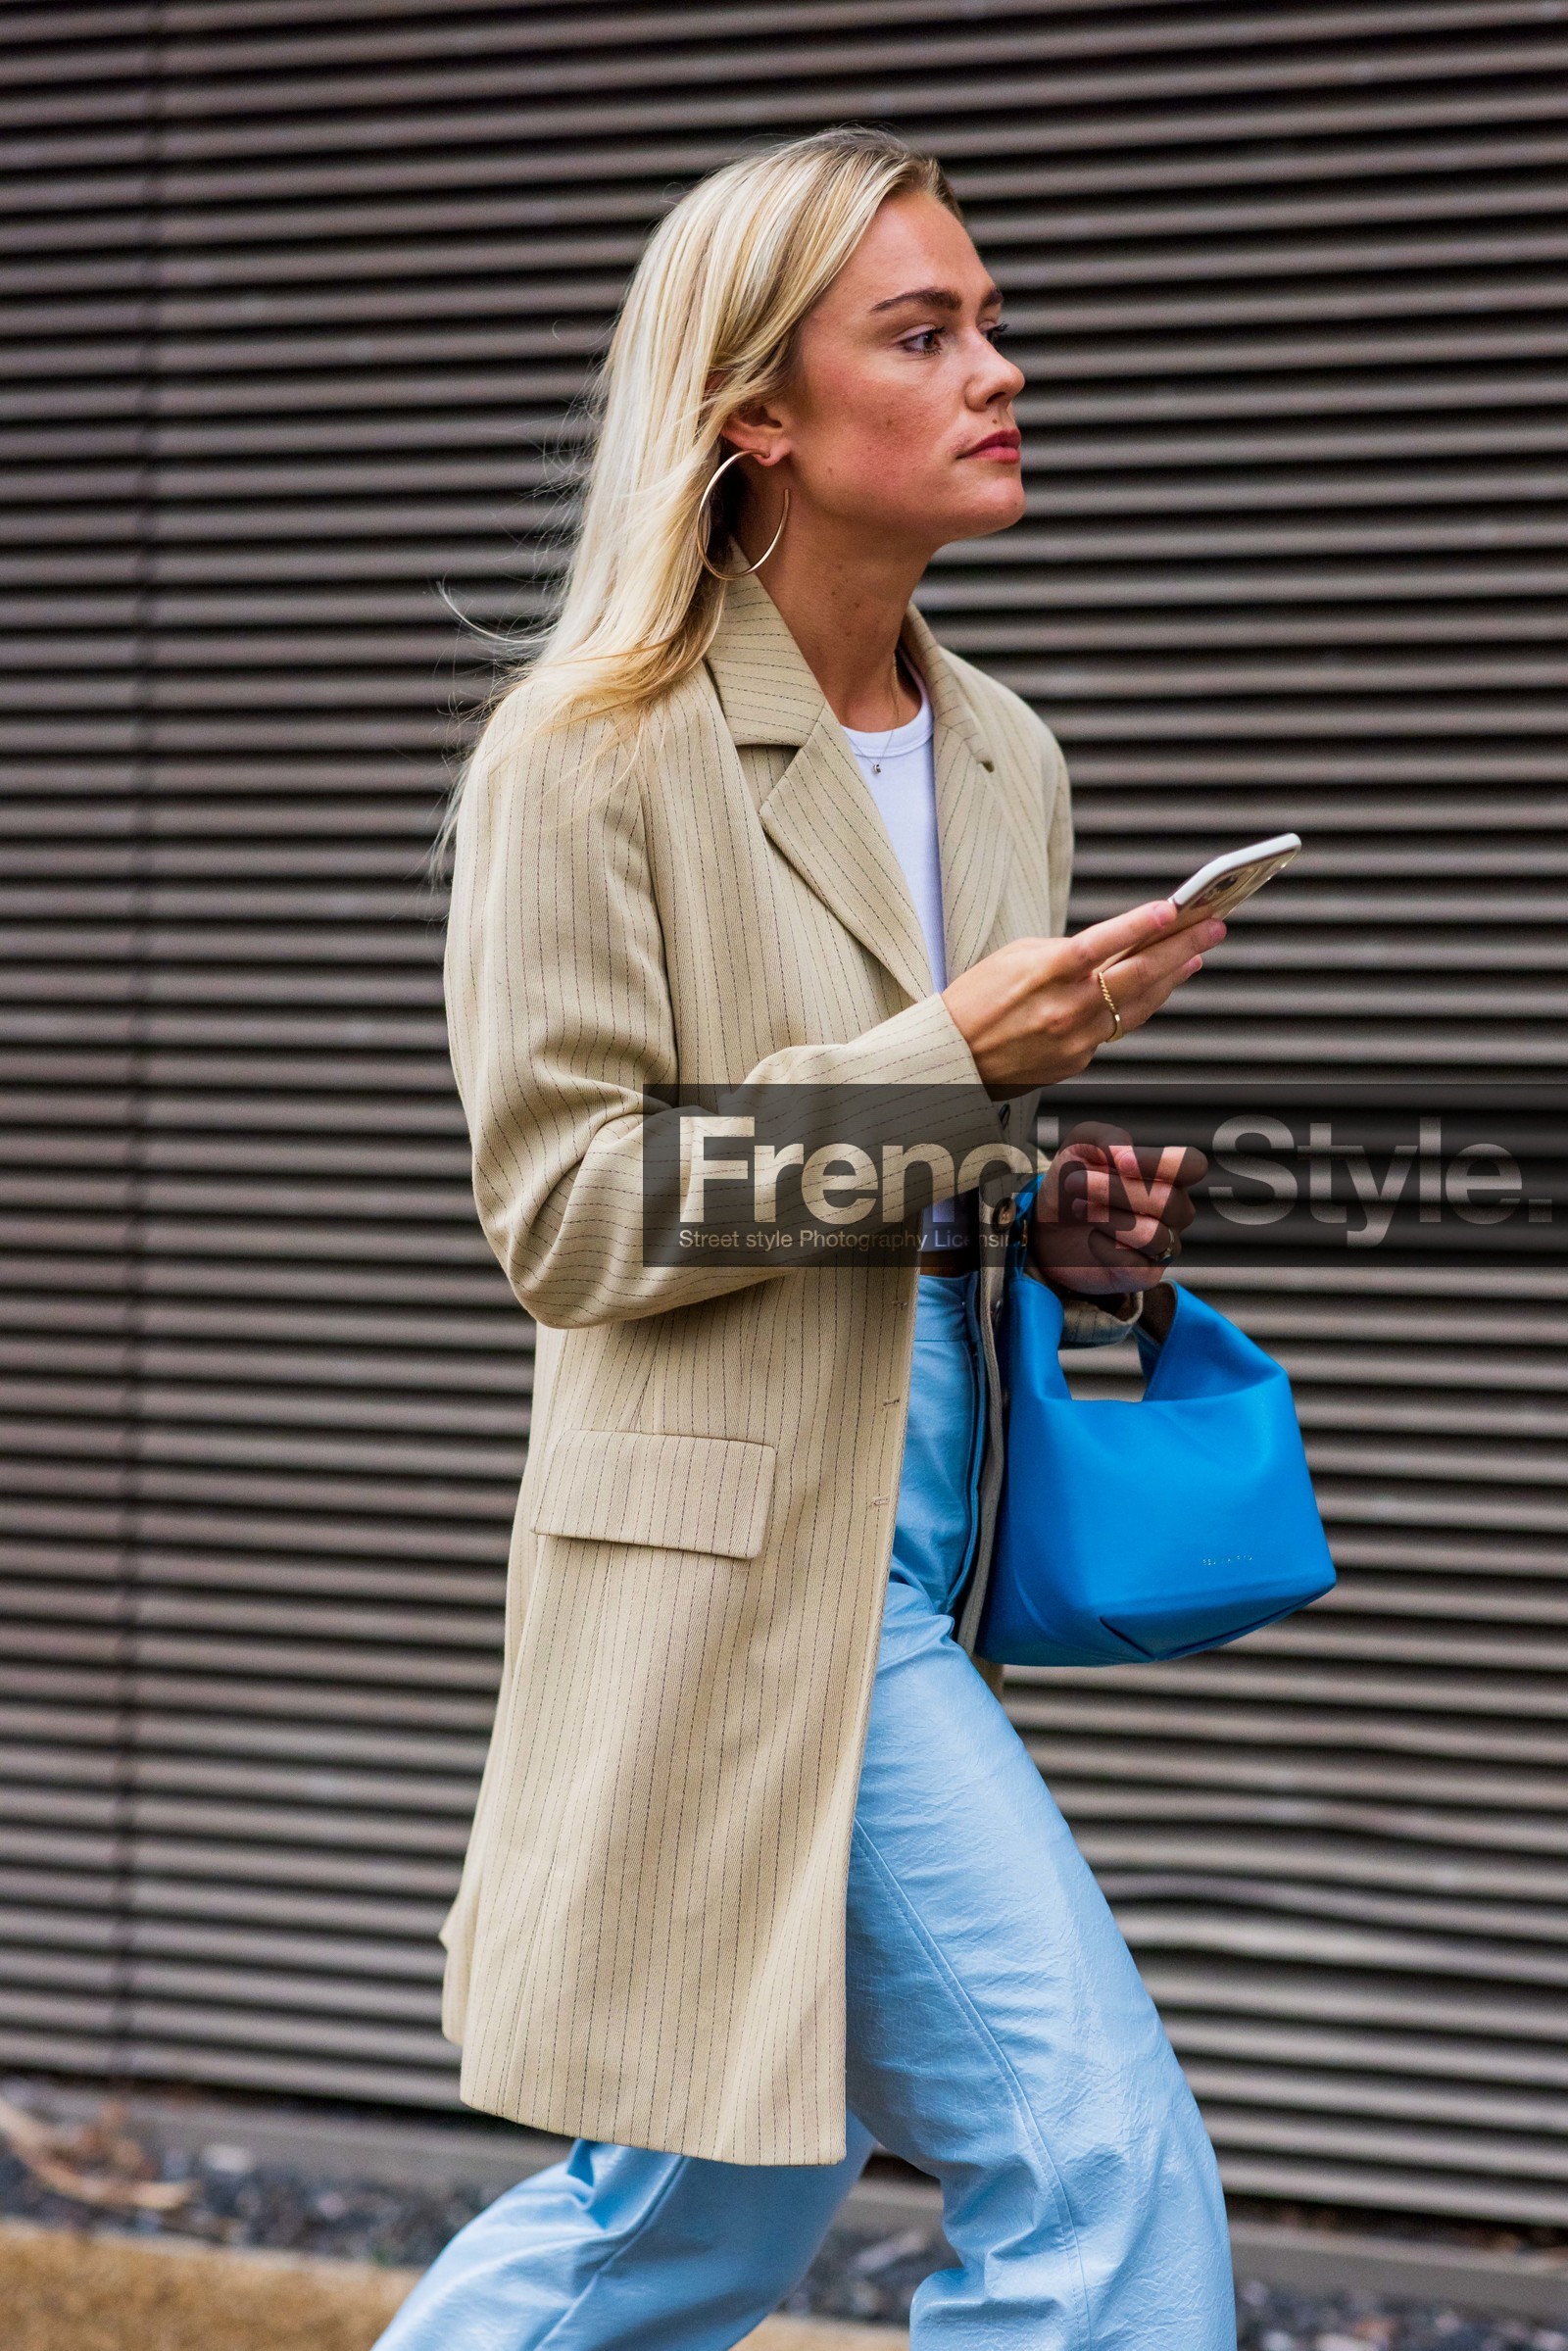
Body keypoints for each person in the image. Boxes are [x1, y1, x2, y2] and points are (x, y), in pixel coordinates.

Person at [378, 126, 1234, 2350]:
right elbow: (565, 1216)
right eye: (922, 332)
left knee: (696, 2222)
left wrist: (1063, 1235)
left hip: (921, 1531)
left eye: (988, 320)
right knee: (1097, 2179)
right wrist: (941, 1069)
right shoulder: (587, 754)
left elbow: (918, 1169)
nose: (998, 372)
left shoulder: (1001, 750)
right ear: (756, 409)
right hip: (749, 1588)